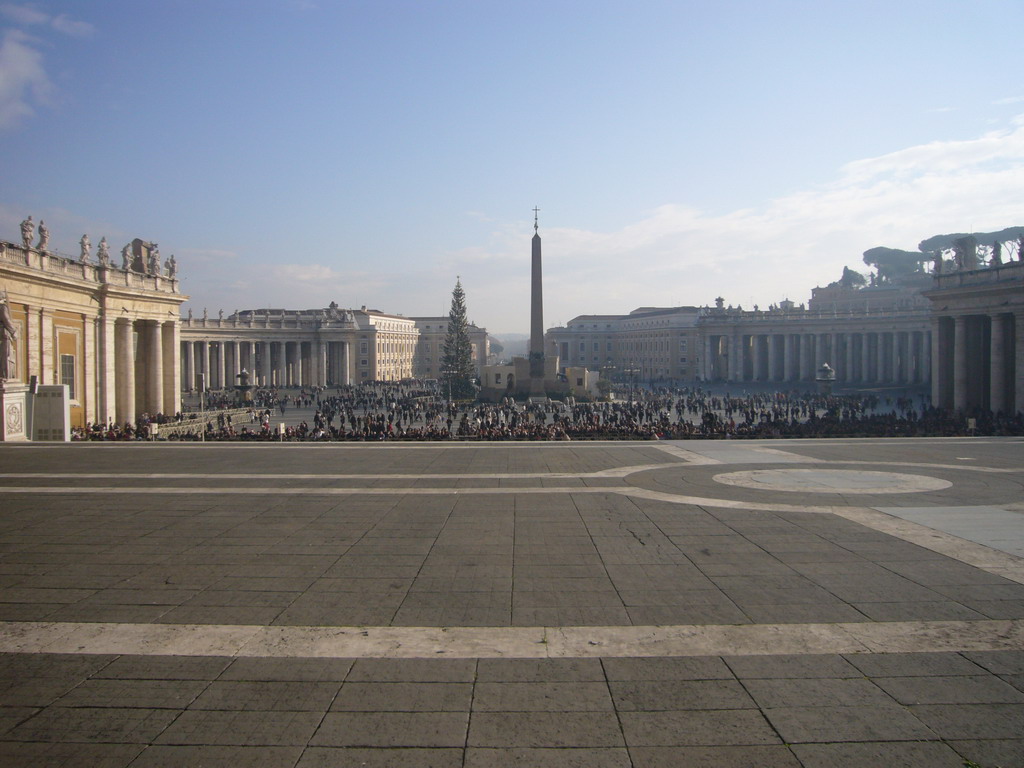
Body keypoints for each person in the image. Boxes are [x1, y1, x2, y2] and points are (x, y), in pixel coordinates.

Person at [0, 292, 17, 380]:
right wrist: (14, 332)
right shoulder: (2, 307)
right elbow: (6, 320)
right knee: (6, 355)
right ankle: (5, 374)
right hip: (4, 334)